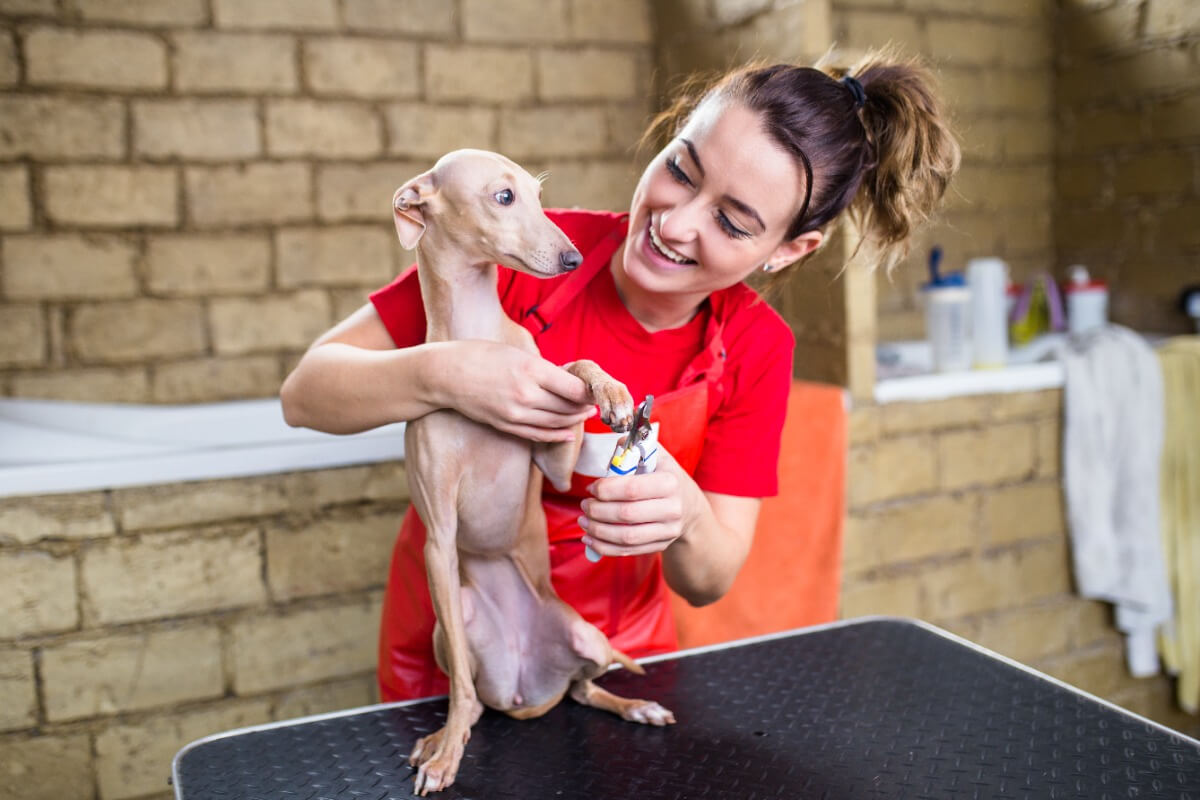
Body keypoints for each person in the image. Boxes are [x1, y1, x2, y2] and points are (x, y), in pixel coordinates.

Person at [280, 50, 961, 702]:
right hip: (453, 643)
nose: (676, 221)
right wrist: (448, 374)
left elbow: (710, 576)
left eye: (729, 220)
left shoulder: (757, 347)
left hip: (616, 658)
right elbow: (306, 393)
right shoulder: (522, 247)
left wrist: (687, 515)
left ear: (787, 250)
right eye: (682, 171)